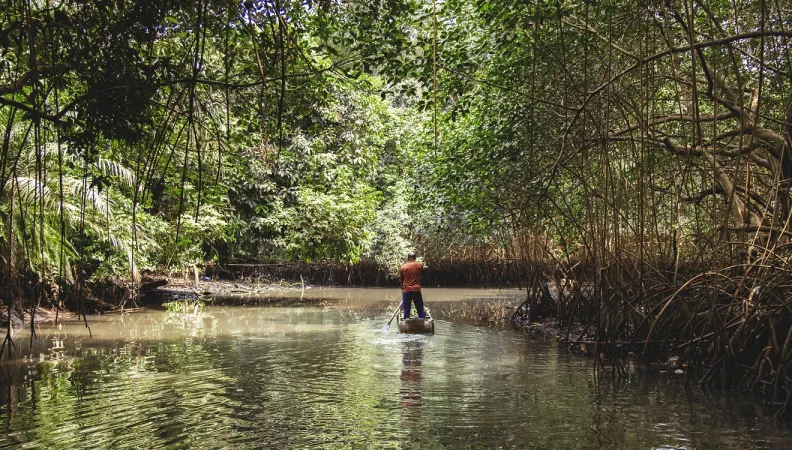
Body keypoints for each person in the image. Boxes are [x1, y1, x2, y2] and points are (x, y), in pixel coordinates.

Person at [399, 253, 426, 319]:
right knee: (420, 309)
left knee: (406, 310)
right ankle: (422, 322)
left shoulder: (403, 267)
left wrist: (403, 290)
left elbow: (401, 280)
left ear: (408, 258)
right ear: (415, 258)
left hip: (406, 291)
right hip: (416, 290)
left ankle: (406, 324)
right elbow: (422, 276)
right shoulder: (420, 265)